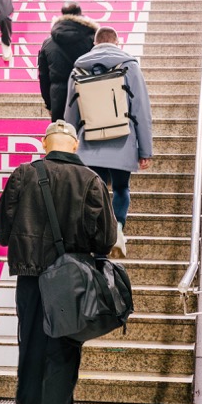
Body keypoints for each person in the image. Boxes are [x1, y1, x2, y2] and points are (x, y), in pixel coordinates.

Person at [0, 120, 117, 404]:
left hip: (31, 283)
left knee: (30, 353)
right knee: (62, 360)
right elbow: (105, 240)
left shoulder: (23, 175)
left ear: (45, 146)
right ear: (75, 146)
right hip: (71, 285)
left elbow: (0, 231)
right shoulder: (92, 181)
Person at [64, 27, 153, 249]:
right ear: (117, 42)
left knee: (96, 189)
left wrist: (68, 146)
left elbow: (70, 111)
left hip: (89, 143)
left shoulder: (78, 69)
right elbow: (141, 110)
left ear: (94, 44)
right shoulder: (129, 66)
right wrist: (145, 150)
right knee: (121, 188)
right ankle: (118, 230)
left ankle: (97, 235)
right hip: (123, 140)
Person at [37, 3, 99, 123]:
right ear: (80, 15)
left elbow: (43, 76)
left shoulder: (48, 43)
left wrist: (49, 104)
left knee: (62, 137)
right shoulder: (93, 39)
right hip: (87, 94)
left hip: (59, 97)